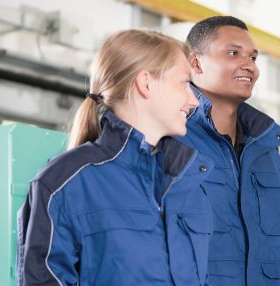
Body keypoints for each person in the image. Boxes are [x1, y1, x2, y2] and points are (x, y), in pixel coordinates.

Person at [16, 29, 210, 285]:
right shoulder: (64, 183)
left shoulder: (184, 181)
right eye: (185, 83)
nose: (194, 101)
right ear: (146, 83)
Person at [181, 16, 280, 285]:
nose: (249, 66)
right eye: (233, 53)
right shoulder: (173, 138)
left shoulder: (267, 149)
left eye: (253, 58)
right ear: (195, 63)